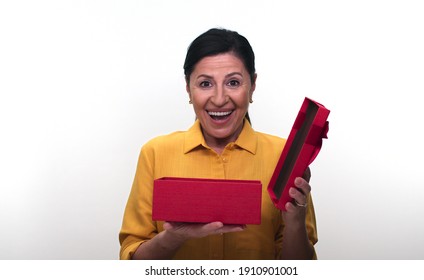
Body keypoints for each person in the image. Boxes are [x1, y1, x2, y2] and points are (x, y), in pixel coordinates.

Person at [119, 28, 318, 260]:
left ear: (252, 86)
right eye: (205, 84)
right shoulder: (155, 153)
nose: (220, 99)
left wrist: (295, 223)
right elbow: (132, 263)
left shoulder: (283, 156)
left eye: (233, 82)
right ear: (188, 89)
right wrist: (175, 236)